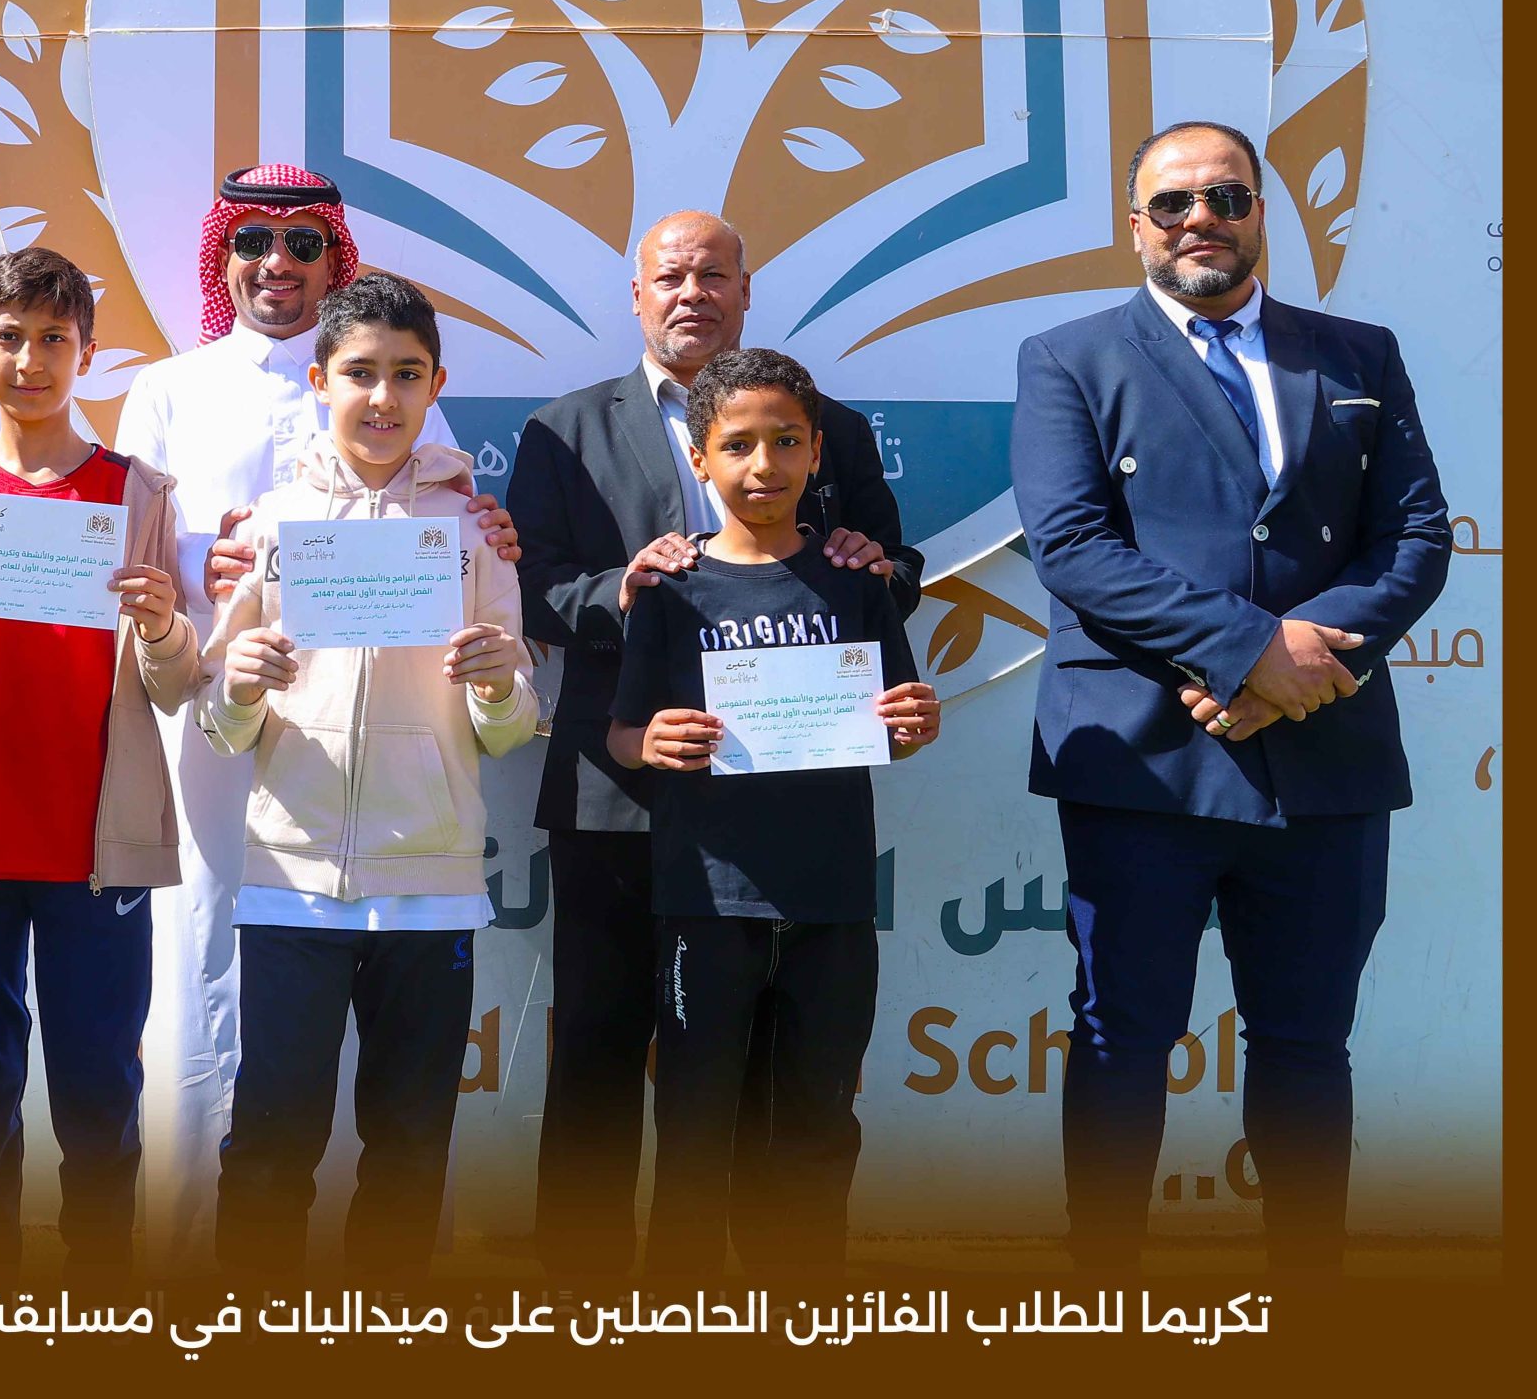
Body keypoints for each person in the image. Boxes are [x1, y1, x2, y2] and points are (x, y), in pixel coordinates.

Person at [1011, 119, 1450, 1273]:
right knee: (1122, 1036)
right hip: (1144, 760)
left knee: (1306, 1046)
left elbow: (1413, 536)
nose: (1198, 219)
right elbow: (1071, 548)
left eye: (1225, 197)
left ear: (1260, 212)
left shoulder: (1358, 355)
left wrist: (1301, 671)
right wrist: (1252, 655)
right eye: (1172, 203)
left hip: (1323, 754)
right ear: (1135, 226)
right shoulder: (1067, 359)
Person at [111, 163, 517, 1266]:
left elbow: (451, 536)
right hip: (224, 711)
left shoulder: (389, 380)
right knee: (209, 954)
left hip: (391, 772)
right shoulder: (170, 388)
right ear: (223, 254)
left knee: (391, 1096)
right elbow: (131, 550)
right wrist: (204, 564)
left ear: (336, 256)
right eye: (253, 241)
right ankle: (191, 1248)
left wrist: (486, 544)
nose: (276, 264)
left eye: (302, 243)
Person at [504, 208, 921, 1277]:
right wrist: (624, 586)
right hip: (619, 791)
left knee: (767, 1069)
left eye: (714, 275)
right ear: (637, 296)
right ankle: (583, 1293)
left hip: (775, 814)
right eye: (671, 277)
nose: (692, 292)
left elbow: (891, 570)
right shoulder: (565, 428)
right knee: (599, 1044)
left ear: (744, 291)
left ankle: (763, 1289)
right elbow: (531, 588)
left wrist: (869, 557)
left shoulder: (828, 426)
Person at [198, 273, 539, 1283]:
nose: (382, 396)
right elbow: (220, 723)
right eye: (359, 373)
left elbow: (511, 729)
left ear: (436, 384)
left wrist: (497, 684)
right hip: (290, 884)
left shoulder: (474, 533)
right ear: (320, 381)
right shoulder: (271, 525)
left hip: (430, 890)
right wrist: (240, 683)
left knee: (409, 1149)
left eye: (406, 373)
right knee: (271, 1138)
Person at [0, 246, 201, 1290]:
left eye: (53, 338)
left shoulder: (138, 493)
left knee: (100, 1099)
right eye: (10, 338)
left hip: (92, 853)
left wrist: (162, 625)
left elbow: (176, 684)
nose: (31, 360)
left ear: (87, 354)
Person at [607, 346, 941, 1277]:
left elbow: (898, 727)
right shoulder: (671, 587)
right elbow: (622, 732)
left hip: (832, 900)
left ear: (817, 451)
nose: (765, 464)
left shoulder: (857, 581)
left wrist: (916, 724)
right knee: (694, 1125)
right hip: (707, 902)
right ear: (700, 457)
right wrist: (650, 740)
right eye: (739, 444)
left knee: (818, 1125)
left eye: (787, 441)